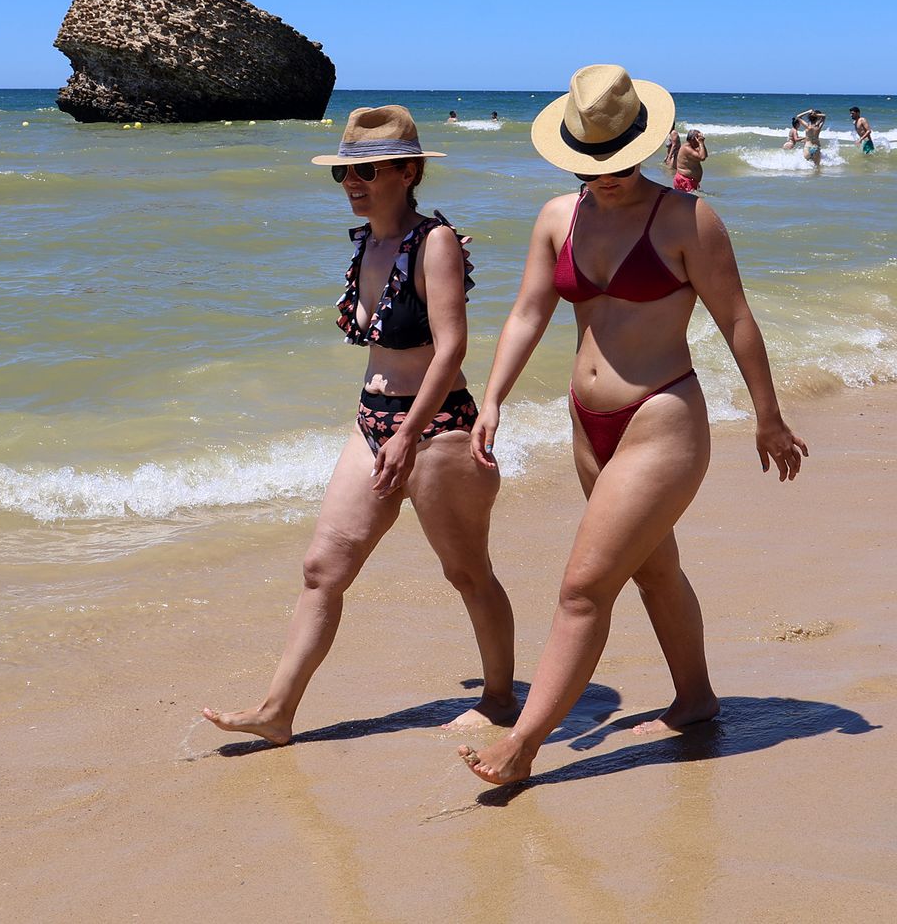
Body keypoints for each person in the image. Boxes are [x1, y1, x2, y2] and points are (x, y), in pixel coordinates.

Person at [457, 64, 807, 786]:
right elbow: (528, 312)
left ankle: (524, 742)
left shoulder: (686, 219)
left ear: (642, 145)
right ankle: (697, 699)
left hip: (662, 418)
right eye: (593, 161)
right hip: (587, 425)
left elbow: (736, 318)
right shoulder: (559, 216)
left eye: (618, 160)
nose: (606, 175)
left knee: (584, 585)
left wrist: (768, 417)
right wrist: (492, 398)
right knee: (652, 566)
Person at [202, 105, 518, 745]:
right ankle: (277, 711)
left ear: (406, 171)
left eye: (366, 171)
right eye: (344, 173)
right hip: (370, 424)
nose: (352, 183)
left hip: (436, 430)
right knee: (323, 569)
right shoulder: (368, 243)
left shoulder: (436, 243)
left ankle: (498, 697)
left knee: (466, 572)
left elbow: (452, 348)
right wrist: (385, 432)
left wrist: (407, 436)